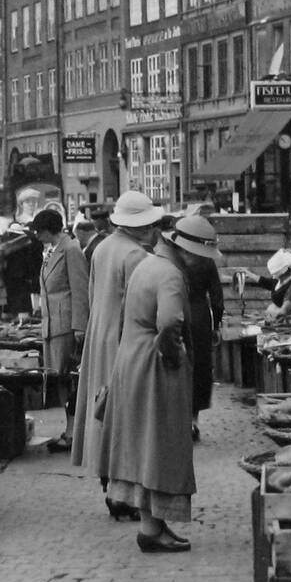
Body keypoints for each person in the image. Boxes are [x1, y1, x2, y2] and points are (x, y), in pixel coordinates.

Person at [98, 214, 219, 553]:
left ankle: (154, 525)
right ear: (191, 252)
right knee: (161, 445)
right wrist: (173, 357)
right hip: (155, 367)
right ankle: (152, 530)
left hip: (133, 360)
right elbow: (169, 323)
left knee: (145, 445)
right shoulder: (171, 275)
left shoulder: (148, 265)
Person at [72, 190, 164, 518]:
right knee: (127, 416)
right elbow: (138, 309)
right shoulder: (137, 256)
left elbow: (95, 294)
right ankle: (122, 494)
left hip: (100, 340)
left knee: (102, 413)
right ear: (140, 226)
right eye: (151, 224)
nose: (155, 230)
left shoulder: (102, 248)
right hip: (125, 343)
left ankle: (107, 486)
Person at [32, 209, 89, 453]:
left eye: (39, 230)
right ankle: (68, 430)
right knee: (59, 382)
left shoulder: (71, 249)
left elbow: (80, 289)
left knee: (68, 380)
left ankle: (73, 432)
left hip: (66, 325)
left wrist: (79, 326)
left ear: (49, 229)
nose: (36, 235)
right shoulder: (52, 250)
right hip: (51, 325)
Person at [183, 228, 224, 442]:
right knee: (199, 367)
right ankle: (193, 421)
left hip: (178, 311)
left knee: (180, 365)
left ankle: (177, 419)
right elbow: (217, 298)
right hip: (199, 317)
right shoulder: (206, 261)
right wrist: (216, 325)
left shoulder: (174, 259)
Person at [238, 248, 291, 320]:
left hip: (283, 317)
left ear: (282, 272)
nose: (273, 276)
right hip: (273, 315)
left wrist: (262, 316)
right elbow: (266, 282)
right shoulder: (278, 281)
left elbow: (287, 309)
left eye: (275, 273)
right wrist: (250, 274)